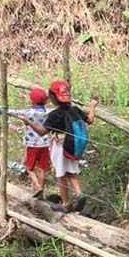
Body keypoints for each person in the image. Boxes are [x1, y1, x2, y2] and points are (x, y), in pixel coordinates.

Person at [40, 80, 97, 213]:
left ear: (53, 98)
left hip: (60, 147)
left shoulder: (54, 114)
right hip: (72, 145)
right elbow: (90, 120)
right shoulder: (74, 110)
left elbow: (42, 131)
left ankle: (66, 203)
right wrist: (93, 106)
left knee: (61, 175)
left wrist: (26, 121)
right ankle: (79, 194)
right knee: (72, 172)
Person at [0, 88, 52, 198]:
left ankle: (38, 187)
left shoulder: (28, 113)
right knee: (42, 168)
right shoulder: (48, 113)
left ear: (32, 101)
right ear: (45, 101)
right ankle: (41, 191)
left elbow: (13, 112)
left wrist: (0, 110)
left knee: (29, 168)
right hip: (45, 144)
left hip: (32, 145)